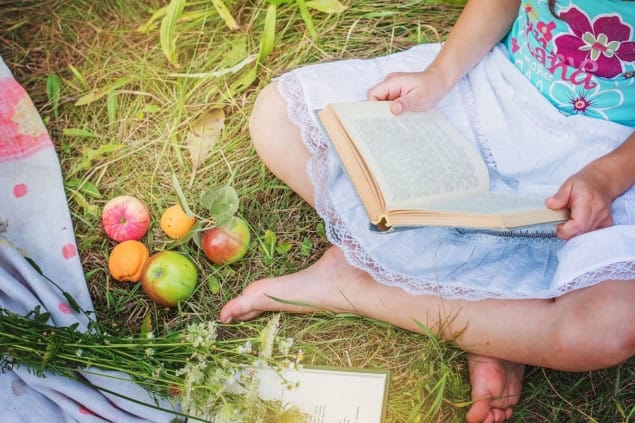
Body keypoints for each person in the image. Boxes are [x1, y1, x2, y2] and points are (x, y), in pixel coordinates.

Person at [221, 0, 635, 421]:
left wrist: (609, 175)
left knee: (608, 327)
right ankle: (498, 327)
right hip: (496, 94)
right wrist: (439, 75)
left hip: (610, 154)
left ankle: (358, 287)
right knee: (278, 117)